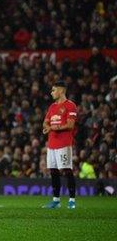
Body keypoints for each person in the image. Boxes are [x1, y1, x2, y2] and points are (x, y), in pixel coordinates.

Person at [42, 80, 78, 209]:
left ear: (61, 90)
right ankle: (56, 200)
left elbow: (70, 125)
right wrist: (48, 127)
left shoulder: (70, 105)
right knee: (53, 172)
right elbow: (45, 123)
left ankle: (72, 200)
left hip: (63, 144)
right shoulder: (52, 107)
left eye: (53, 90)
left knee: (67, 171)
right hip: (51, 144)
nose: (51, 92)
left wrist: (53, 128)